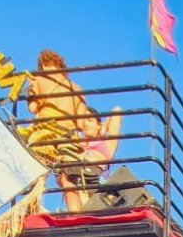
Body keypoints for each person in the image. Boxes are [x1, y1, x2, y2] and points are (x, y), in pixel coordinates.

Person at [25, 50, 122, 213]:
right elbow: (79, 122)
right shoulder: (77, 89)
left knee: (40, 173)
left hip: (45, 130)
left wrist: (31, 91)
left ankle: (34, 208)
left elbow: (32, 108)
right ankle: (74, 214)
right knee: (69, 179)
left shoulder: (39, 80)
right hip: (69, 135)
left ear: (42, 65)